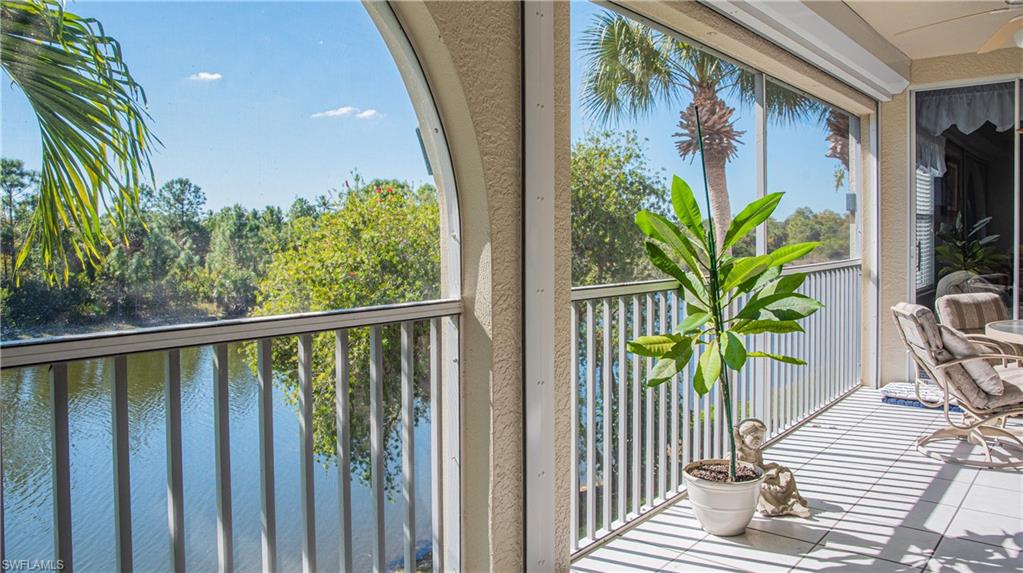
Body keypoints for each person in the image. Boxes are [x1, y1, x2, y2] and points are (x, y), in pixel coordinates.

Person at [734, 418, 810, 518]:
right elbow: (740, 476)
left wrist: (772, 470)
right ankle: (781, 507)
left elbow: (760, 466)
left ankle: (792, 500)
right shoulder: (738, 455)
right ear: (744, 437)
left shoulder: (756, 451)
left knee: (785, 473)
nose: (758, 441)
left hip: (760, 474)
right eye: (755, 437)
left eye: (760, 438)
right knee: (761, 487)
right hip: (750, 481)